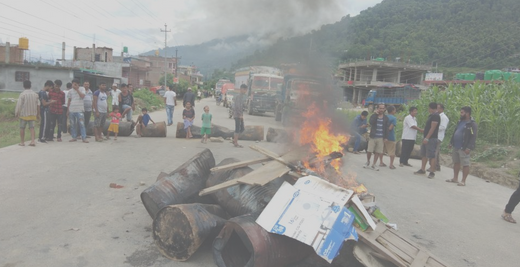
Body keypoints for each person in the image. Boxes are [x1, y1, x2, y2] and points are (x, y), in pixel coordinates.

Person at [446, 106, 477, 186]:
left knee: (465, 164)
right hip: (456, 146)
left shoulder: (471, 124)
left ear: (467, 113)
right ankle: (455, 178)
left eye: (462, 112)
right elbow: (455, 132)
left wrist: (469, 147)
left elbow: (473, 137)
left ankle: (463, 181)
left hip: (464, 147)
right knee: (456, 162)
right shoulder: (460, 122)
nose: (461, 114)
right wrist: (451, 142)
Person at [414, 102, 440, 179]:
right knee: (424, 154)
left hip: (431, 138)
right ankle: (422, 169)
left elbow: (433, 128)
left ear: (431, 108)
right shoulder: (432, 115)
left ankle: (432, 171)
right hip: (427, 137)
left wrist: (427, 137)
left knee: (431, 155)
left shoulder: (435, 116)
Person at [363, 104, 389, 171]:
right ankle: (368, 161)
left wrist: (386, 137)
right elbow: (371, 122)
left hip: (381, 137)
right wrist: (376, 115)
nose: (381, 110)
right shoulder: (373, 116)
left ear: (384, 109)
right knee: (369, 150)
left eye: (382, 108)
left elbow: (386, 128)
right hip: (373, 136)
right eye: (380, 108)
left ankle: (374, 164)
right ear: (377, 109)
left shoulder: (386, 118)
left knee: (378, 152)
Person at [15, 80, 40, 147]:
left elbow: (19, 104)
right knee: (32, 128)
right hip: (32, 114)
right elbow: (38, 105)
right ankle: (32, 141)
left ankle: (22, 142)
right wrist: (38, 114)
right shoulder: (35, 94)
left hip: (24, 114)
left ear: (23, 86)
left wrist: (17, 113)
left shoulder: (22, 94)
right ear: (30, 86)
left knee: (22, 128)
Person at [67, 79, 88, 143]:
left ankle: (83, 137)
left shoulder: (82, 89)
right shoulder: (70, 91)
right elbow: (69, 100)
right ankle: (74, 137)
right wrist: (68, 109)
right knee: (72, 124)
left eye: (76, 84)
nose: (74, 85)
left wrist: (77, 89)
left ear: (78, 84)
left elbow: (82, 96)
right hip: (72, 109)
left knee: (81, 124)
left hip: (80, 110)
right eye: (73, 84)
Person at [436, 104, 449, 171]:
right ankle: (437, 166)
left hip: (438, 136)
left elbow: (443, 127)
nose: (436, 109)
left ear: (441, 109)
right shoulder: (437, 116)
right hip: (436, 136)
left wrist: (433, 128)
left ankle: (434, 166)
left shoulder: (443, 117)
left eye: (437, 108)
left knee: (435, 152)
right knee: (436, 152)